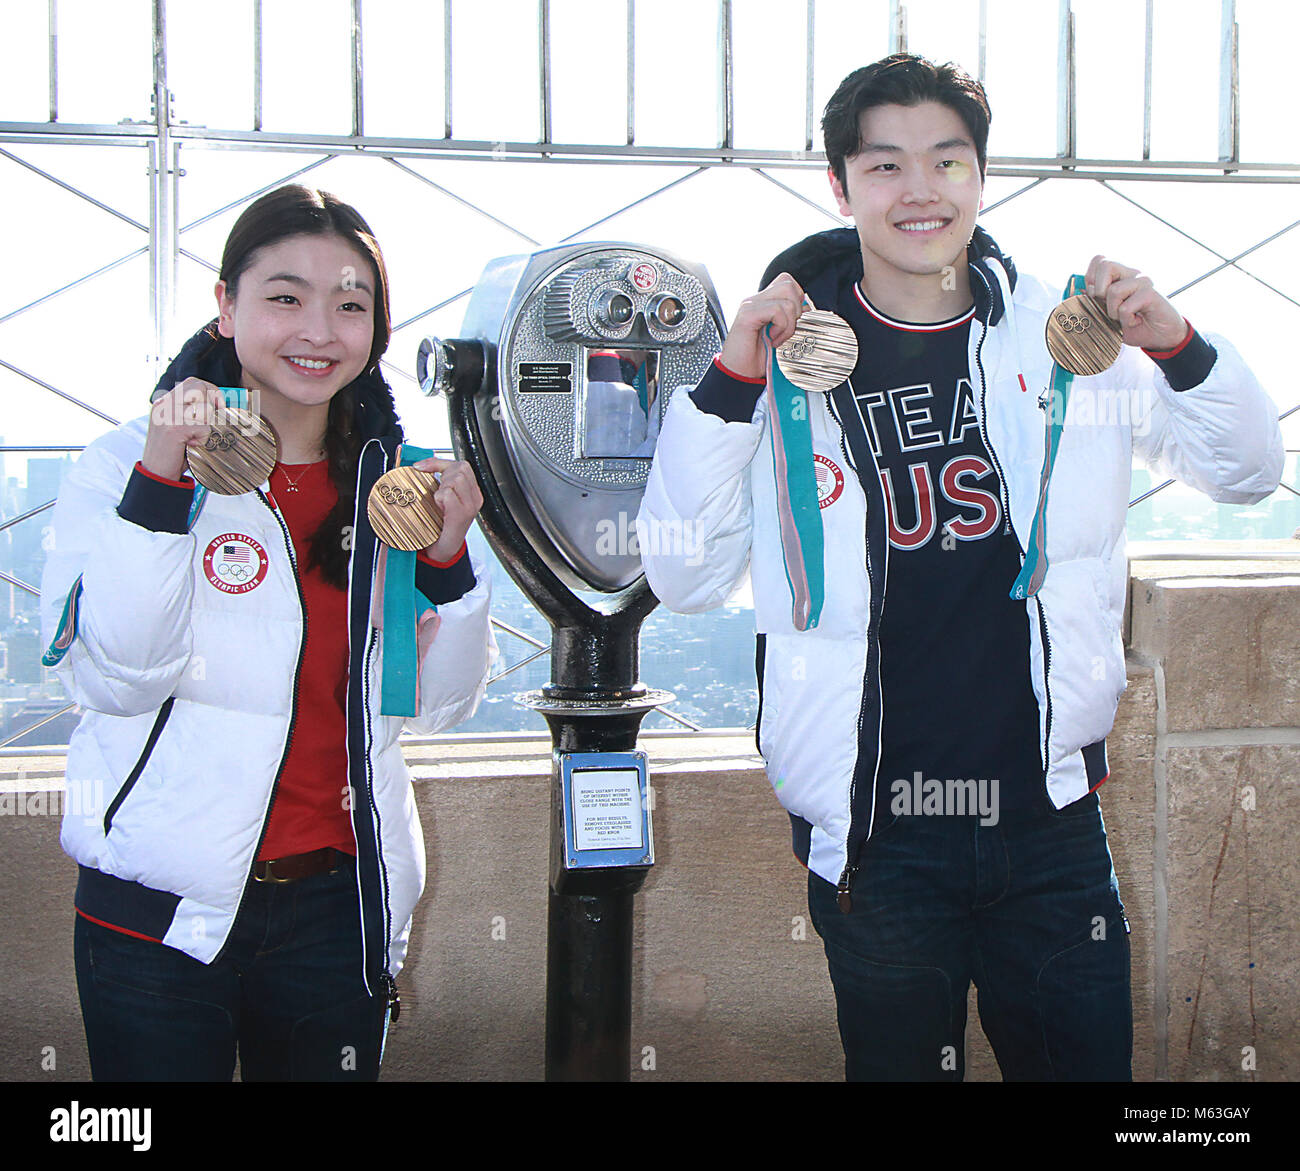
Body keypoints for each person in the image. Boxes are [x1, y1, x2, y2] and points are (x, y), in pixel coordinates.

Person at [636, 55, 1283, 1081]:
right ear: (840, 187)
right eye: (885, 165)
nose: (919, 190)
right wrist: (724, 390)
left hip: (1048, 824)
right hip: (879, 842)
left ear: (982, 177)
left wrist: (1174, 342)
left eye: (947, 160)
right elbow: (681, 576)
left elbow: (1245, 471)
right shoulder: (779, 361)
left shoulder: (1066, 336)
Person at [40, 184, 496, 1081]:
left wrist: (447, 564)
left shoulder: (394, 485)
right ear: (225, 305)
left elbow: (436, 707)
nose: (319, 331)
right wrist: (161, 487)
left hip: (339, 905)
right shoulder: (122, 465)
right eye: (285, 297)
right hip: (159, 914)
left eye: (351, 304)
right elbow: (117, 677)